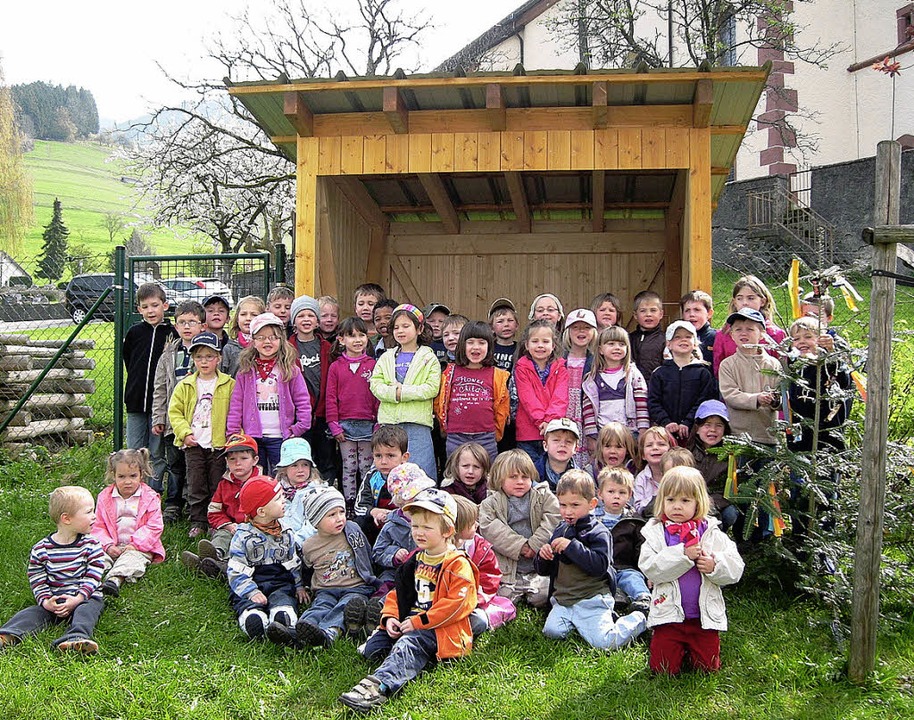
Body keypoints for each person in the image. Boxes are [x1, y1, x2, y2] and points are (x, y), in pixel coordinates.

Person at [338, 489, 477, 713]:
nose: (419, 532)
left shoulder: (457, 564)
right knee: (373, 650)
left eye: (427, 527)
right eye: (415, 526)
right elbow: (398, 592)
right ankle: (409, 658)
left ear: (447, 530)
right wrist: (391, 617)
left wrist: (418, 622)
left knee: (408, 643)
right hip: (410, 621)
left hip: (437, 628)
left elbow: (457, 605)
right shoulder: (417, 558)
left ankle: (378, 687)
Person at [638, 467, 744, 674]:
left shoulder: (712, 532)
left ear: (698, 502)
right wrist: (683, 555)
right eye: (670, 500)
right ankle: (668, 647)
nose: (677, 506)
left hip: (703, 620)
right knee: (663, 669)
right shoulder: (656, 533)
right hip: (668, 617)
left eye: (685, 501)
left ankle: (693, 649)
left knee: (707, 669)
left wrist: (715, 566)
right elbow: (651, 569)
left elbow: (736, 568)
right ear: (662, 501)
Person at [535, 470, 647, 649]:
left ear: (592, 504)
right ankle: (581, 623)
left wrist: (571, 547)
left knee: (604, 643)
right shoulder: (560, 528)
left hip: (592, 600)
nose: (568, 511)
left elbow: (599, 566)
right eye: (563, 505)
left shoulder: (599, 532)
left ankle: (639, 619)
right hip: (563, 600)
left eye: (575, 505)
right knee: (552, 632)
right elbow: (544, 570)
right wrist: (543, 556)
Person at [268, 487, 380, 648]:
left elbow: (367, 554)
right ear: (316, 520)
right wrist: (301, 587)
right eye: (331, 515)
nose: (339, 518)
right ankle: (300, 631)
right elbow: (304, 569)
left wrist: (372, 579)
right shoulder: (309, 546)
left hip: (356, 588)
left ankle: (328, 633)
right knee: (320, 607)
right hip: (325, 590)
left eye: (341, 512)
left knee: (345, 607)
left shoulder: (352, 531)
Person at [0, 486, 105, 654]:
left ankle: (76, 640)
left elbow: (94, 574)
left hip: (85, 597)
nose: (94, 516)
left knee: (86, 612)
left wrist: (78, 598)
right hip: (55, 600)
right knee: (31, 613)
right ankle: (7, 636)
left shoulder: (92, 545)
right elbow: (37, 578)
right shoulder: (41, 549)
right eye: (89, 512)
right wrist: (46, 601)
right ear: (67, 519)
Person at [168, 331, 235, 538]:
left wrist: (232, 436)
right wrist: (184, 433)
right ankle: (198, 520)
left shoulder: (228, 384)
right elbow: (175, 412)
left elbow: (235, 411)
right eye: (199, 357)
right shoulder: (185, 385)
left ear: (219, 358)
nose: (204, 361)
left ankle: (216, 520)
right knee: (195, 483)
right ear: (193, 359)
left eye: (209, 356)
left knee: (217, 483)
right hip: (193, 444)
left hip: (218, 445)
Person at [227, 312, 312, 475]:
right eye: (261, 337)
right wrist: (233, 432)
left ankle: (280, 501)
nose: (267, 341)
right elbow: (236, 403)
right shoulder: (245, 372)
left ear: (281, 340)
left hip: (282, 436)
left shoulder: (290, 369)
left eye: (273, 337)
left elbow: (302, 400)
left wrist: (300, 426)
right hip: (252, 436)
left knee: (280, 475)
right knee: (255, 476)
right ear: (253, 341)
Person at [478, 450, 559, 608]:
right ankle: (513, 589)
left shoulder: (543, 496)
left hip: (537, 566)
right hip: (507, 569)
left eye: (525, 477)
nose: (520, 482)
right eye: (513, 477)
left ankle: (533, 588)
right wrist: (521, 546)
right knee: (503, 598)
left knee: (544, 596)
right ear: (500, 479)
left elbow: (554, 517)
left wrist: (534, 545)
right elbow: (490, 527)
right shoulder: (491, 503)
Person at [227, 477, 306, 640]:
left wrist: (299, 586)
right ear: (261, 511)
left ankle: (282, 616)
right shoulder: (243, 537)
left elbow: (293, 562)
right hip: (251, 579)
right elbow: (236, 569)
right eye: (278, 499)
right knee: (244, 600)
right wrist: (251, 591)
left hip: (279, 579)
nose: (284, 500)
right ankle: (252, 618)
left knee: (283, 595)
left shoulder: (285, 531)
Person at [370, 304, 441, 479]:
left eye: (406, 326)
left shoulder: (429, 357)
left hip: (417, 424)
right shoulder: (386, 356)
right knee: (388, 469)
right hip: (389, 423)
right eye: (396, 327)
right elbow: (375, 384)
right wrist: (395, 394)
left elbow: (431, 388)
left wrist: (404, 392)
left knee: (421, 470)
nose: (400, 331)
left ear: (419, 328)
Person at [151, 300, 205, 522]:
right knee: (175, 464)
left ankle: (193, 504)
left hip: (199, 421)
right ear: (175, 325)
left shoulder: (206, 354)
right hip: (174, 422)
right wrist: (158, 416)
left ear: (202, 325)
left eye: (192, 322)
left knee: (195, 464)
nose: (187, 327)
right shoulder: (168, 355)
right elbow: (160, 387)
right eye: (182, 322)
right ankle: (173, 503)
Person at [180, 433, 263, 578]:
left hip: (254, 530)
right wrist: (227, 525)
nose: (238, 463)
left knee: (248, 547)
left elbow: (270, 512)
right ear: (226, 461)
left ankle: (213, 566)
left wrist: (249, 526)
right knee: (221, 537)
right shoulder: (224, 484)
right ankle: (215, 555)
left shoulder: (263, 484)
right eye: (232, 459)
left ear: (255, 460)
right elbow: (214, 511)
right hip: (231, 528)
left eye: (244, 458)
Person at [123, 282, 176, 493]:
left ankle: (153, 494)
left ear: (165, 305)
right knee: (134, 451)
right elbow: (129, 360)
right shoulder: (135, 332)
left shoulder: (172, 334)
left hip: (160, 404)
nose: (150, 311)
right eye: (145, 307)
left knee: (156, 452)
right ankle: (133, 492)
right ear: (139, 310)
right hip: (136, 401)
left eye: (154, 305)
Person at [91, 448, 165, 598]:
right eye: (122, 476)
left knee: (133, 561)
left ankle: (115, 580)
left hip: (139, 547)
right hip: (111, 544)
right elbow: (97, 525)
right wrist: (108, 545)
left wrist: (135, 545)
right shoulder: (105, 497)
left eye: (133, 476)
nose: (128, 481)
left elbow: (154, 527)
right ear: (114, 476)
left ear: (141, 475)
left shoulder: (150, 497)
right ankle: (95, 577)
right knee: (96, 556)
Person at [434, 321, 510, 460]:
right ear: (462, 345)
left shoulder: (497, 374)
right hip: (455, 437)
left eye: (482, 342)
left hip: (486, 437)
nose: (476, 347)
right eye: (470, 342)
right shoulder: (449, 372)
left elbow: (502, 409)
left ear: (489, 346)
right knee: (455, 476)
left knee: (487, 478)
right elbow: (439, 403)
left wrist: (496, 433)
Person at [326, 317, 380, 508]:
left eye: (361, 335)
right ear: (341, 340)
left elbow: (377, 396)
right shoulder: (336, 367)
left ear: (368, 337)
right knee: (349, 466)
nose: (357, 340)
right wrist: (333, 425)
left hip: (368, 425)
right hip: (344, 426)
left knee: (367, 466)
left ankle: (365, 502)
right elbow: (330, 398)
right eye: (351, 336)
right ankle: (349, 502)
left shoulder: (373, 365)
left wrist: (378, 424)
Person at [718, 307, 782, 448]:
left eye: (750, 329)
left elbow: (782, 396)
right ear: (732, 335)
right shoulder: (728, 365)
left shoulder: (773, 364)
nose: (743, 333)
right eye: (738, 329)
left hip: (767, 436)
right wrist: (756, 399)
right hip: (738, 436)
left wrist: (775, 401)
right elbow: (730, 395)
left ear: (762, 334)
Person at [453, 495, 516, 635]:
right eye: (471, 523)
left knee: (479, 620)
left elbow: (489, 577)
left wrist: (475, 600)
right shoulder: (435, 549)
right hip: (439, 606)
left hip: (471, 602)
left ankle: (458, 629)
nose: (477, 525)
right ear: (456, 527)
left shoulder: (480, 548)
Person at [592, 467, 651, 614]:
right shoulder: (592, 519)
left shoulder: (634, 520)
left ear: (630, 495)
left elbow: (641, 548)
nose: (616, 496)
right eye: (611, 492)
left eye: (622, 492)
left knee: (633, 578)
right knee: (597, 583)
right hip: (600, 567)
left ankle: (643, 599)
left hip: (625, 565)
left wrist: (648, 572)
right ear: (600, 494)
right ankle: (611, 602)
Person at [648, 320, 718, 442]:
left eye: (688, 337)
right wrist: (666, 422)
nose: (683, 340)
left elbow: (704, 401)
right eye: (677, 337)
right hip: (665, 433)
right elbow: (653, 402)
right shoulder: (659, 373)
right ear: (668, 344)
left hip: (694, 433)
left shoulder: (703, 373)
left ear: (695, 343)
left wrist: (688, 422)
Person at [288, 295, 334, 482]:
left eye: (310, 315)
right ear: (294, 321)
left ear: (317, 321)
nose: (306, 319)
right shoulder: (287, 348)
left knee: (326, 459)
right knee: (301, 458)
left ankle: (327, 495)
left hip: (323, 413)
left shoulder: (327, 347)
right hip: (299, 416)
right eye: (301, 315)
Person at [371, 463, 436, 592]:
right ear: (400, 500)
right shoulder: (391, 525)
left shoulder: (434, 519)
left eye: (423, 492)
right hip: (396, 571)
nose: (420, 498)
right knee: (385, 584)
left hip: (426, 571)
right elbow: (377, 552)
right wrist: (394, 555)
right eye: (414, 496)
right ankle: (378, 606)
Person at [512, 319, 569, 465]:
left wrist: (550, 421)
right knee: (529, 472)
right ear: (527, 344)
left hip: (554, 432)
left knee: (552, 471)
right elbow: (527, 398)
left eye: (545, 341)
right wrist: (541, 421)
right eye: (535, 341)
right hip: (528, 434)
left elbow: (560, 398)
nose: (540, 346)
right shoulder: (521, 368)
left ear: (553, 345)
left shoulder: (561, 368)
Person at [582, 326, 649, 449]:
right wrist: (591, 435)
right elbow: (588, 409)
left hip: (629, 432)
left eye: (621, 344)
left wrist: (643, 430)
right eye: (611, 344)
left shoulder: (632, 374)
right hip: (602, 433)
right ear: (601, 350)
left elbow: (641, 403)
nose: (617, 348)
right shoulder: (592, 378)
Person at [712, 275, 786, 377]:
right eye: (740, 298)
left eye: (751, 298)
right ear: (734, 302)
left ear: (762, 301)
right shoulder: (724, 334)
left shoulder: (776, 334)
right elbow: (718, 371)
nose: (745, 303)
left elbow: (783, 373)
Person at [353, 425, 410, 544]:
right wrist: (374, 511)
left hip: (403, 523)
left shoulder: (410, 477)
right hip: (377, 523)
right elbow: (359, 506)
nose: (383, 461)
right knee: (357, 524)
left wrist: (395, 515)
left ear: (404, 457)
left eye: (390, 455)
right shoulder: (372, 477)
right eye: (378, 456)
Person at [686, 400, 736, 530]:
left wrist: (709, 503)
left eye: (719, 425)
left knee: (730, 514)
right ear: (697, 429)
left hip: (716, 505)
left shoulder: (730, 456)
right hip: (690, 503)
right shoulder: (687, 454)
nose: (713, 430)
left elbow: (730, 492)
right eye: (707, 425)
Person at [562, 308, 597, 468]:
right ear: (568, 332)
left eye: (586, 327)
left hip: (585, 417)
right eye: (576, 327)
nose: (581, 331)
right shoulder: (559, 360)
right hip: (564, 412)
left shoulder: (596, 362)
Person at [632, 426, 676, 516]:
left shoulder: (678, 474)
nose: (655, 448)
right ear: (643, 455)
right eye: (649, 445)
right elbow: (638, 508)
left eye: (661, 444)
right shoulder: (641, 479)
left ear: (671, 450)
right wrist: (656, 499)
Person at [534, 418, 584, 492]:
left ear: (576, 448)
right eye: (556, 440)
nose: (562, 445)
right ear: (545, 445)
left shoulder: (581, 478)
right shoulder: (533, 473)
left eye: (569, 441)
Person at [222, 295, 265, 378]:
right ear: (237, 318)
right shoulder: (229, 348)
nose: (248, 318)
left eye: (254, 315)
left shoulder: (266, 345)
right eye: (243, 314)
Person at [629, 290, 665, 381]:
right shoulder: (629, 339)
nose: (648, 314)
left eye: (653, 310)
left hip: (656, 389)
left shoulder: (666, 340)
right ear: (635, 315)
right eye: (643, 311)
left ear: (661, 314)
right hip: (633, 388)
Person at [680, 290, 716, 364]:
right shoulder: (677, 339)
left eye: (697, 310)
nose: (691, 314)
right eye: (687, 310)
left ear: (709, 313)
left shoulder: (716, 337)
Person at [488, 297, 519, 373]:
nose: (506, 324)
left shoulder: (521, 349)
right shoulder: (487, 348)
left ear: (517, 325)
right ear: (492, 328)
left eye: (510, 320)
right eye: (500, 321)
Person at [425, 302, 452, 366]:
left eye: (441, 321)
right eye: (431, 321)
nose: (436, 324)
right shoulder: (418, 343)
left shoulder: (452, 343)